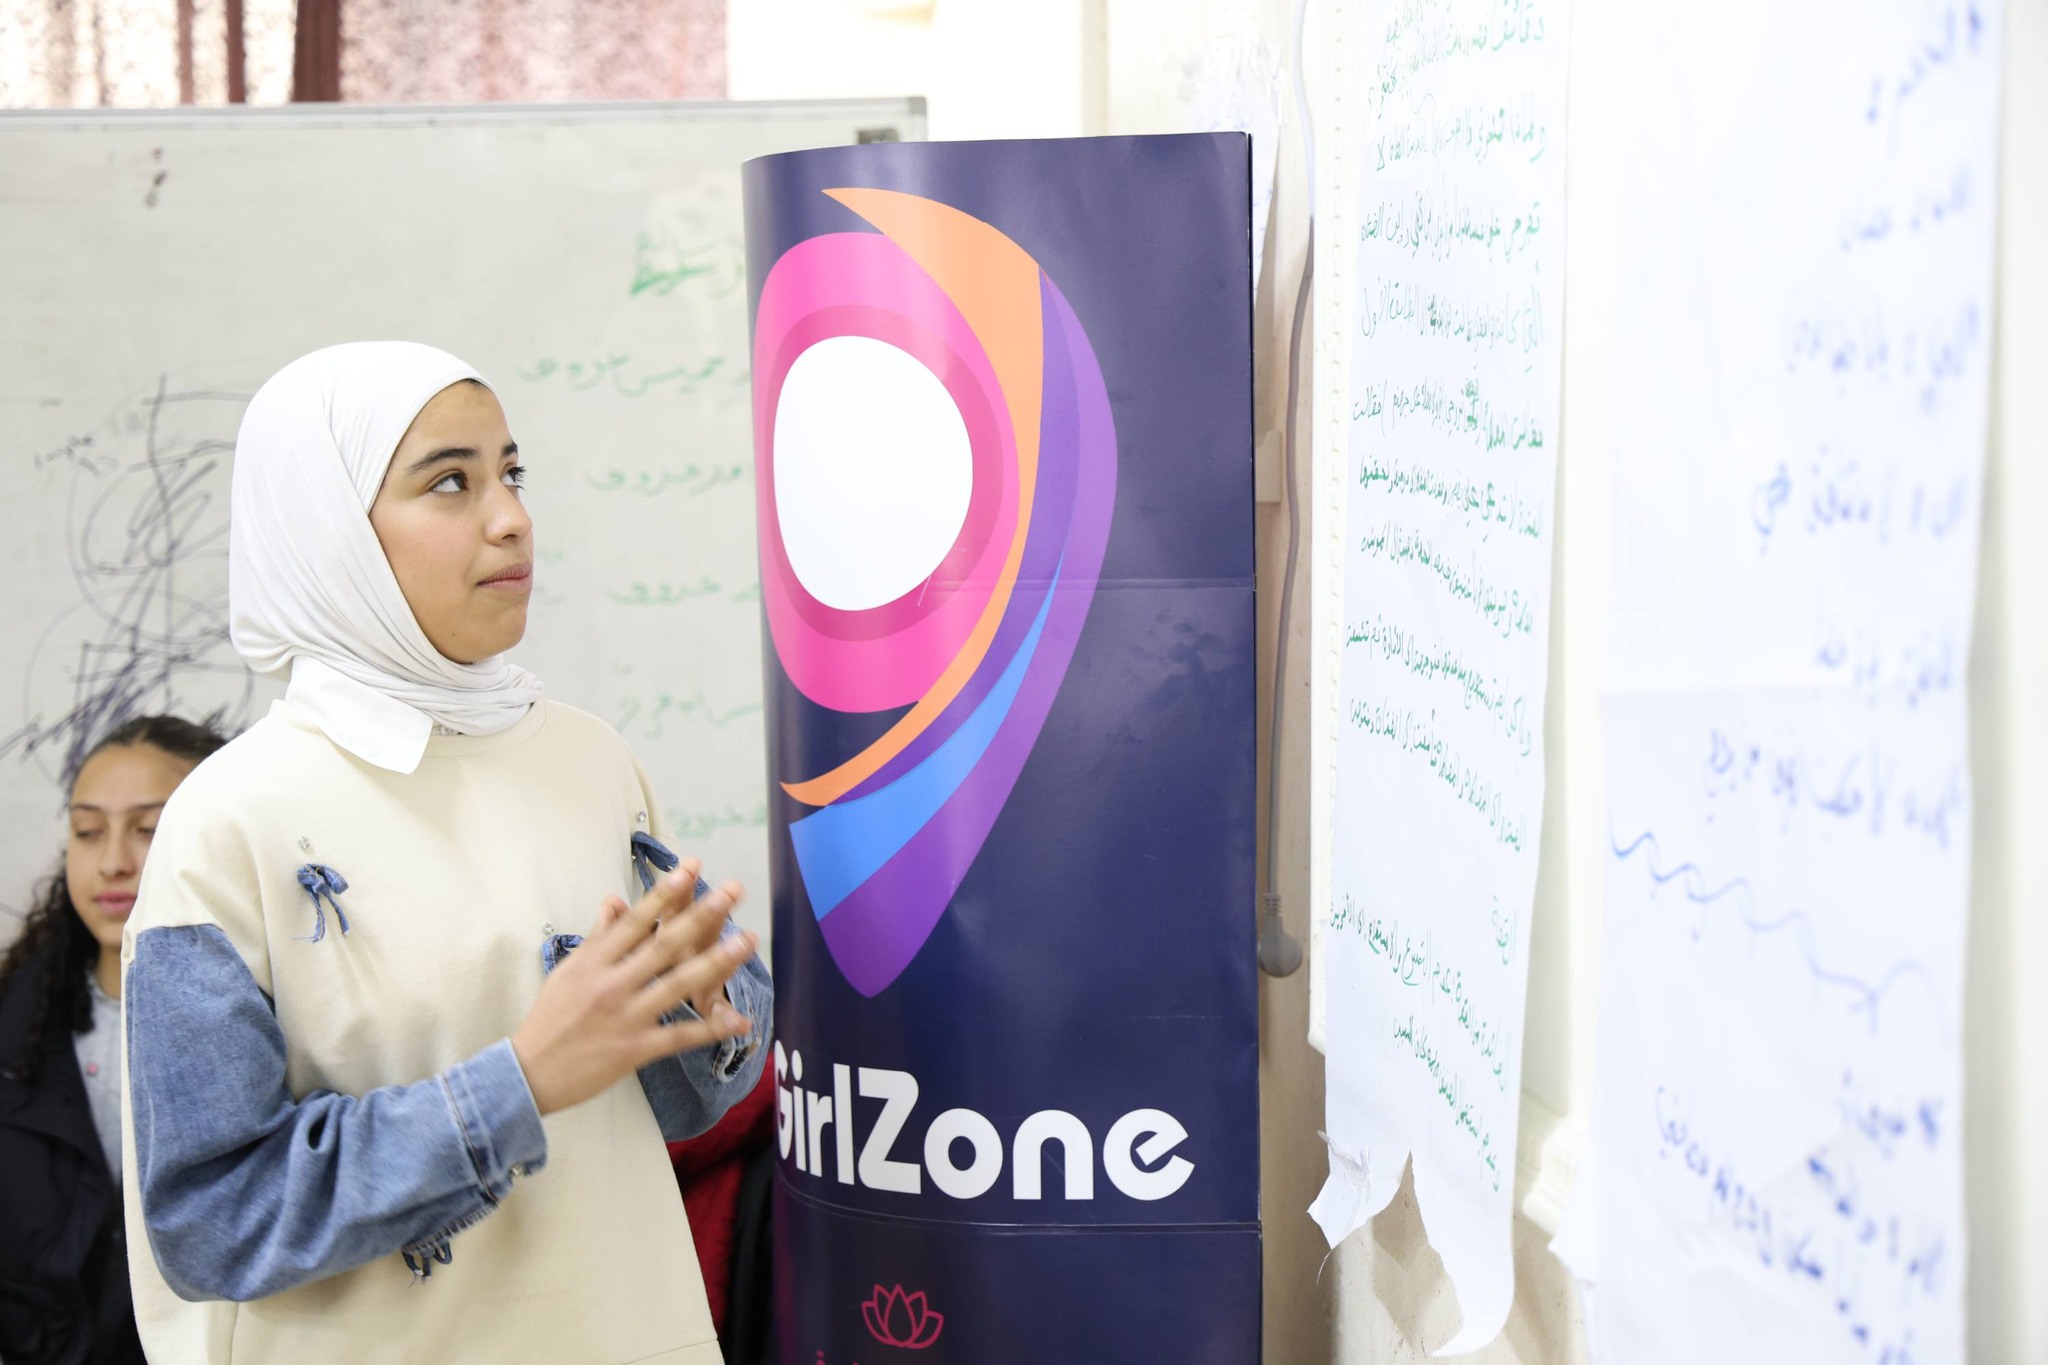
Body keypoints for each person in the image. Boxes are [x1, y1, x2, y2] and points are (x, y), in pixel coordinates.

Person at [120, 342, 772, 1364]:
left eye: (511, 472)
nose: (510, 517)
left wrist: (710, 1013)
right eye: (450, 483)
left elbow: (690, 1105)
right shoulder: (229, 818)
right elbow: (212, 1221)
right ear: (330, 529)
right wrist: (519, 1083)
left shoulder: (589, 758)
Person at [0, 715, 227, 1365]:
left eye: (149, 829)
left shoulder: (273, 1025)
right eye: (88, 831)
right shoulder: (15, 1021)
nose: (113, 862)